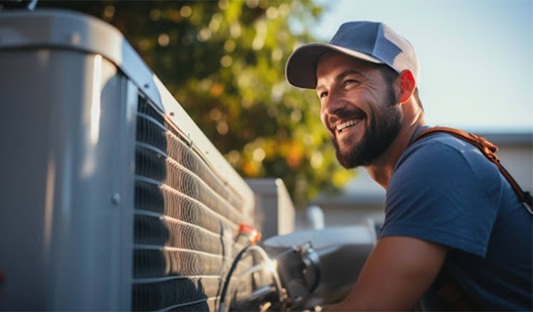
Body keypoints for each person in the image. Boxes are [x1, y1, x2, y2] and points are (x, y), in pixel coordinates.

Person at [285, 21, 533, 311]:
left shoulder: (437, 161)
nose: (330, 108)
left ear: (404, 87)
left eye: (349, 82)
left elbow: (371, 308)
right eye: (323, 93)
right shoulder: (424, 164)